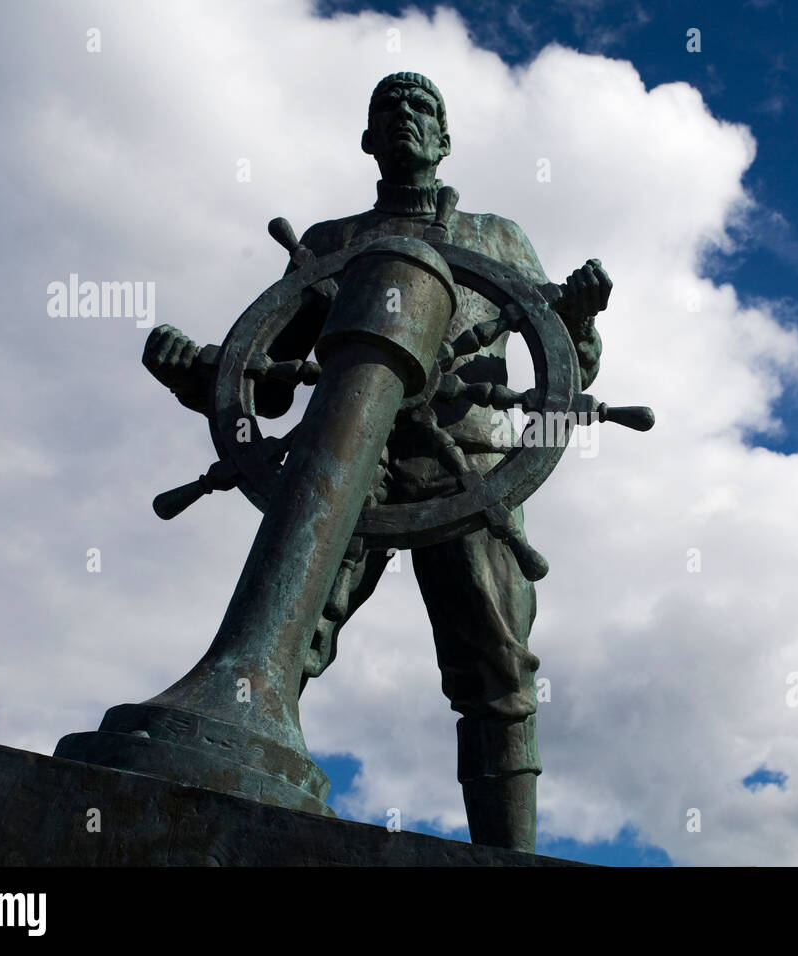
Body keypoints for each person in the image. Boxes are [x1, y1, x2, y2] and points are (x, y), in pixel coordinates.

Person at [144, 72, 610, 852]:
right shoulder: (329, 246)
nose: (404, 117)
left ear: (445, 138)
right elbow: (268, 380)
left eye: (421, 108)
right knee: (281, 638)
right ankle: (224, 777)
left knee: (497, 673)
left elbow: (566, 363)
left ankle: (509, 859)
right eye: (387, 109)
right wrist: (200, 375)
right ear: (367, 139)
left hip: (468, 467)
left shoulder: (501, 239)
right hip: (346, 467)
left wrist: (582, 319)